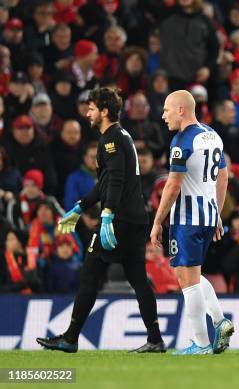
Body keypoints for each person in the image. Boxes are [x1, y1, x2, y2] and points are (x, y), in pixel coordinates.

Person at [36, 87, 164, 353]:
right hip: (135, 218)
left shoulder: (110, 139)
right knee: (138, 278)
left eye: (92, 108)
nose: (88, 113)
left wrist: (107, 215)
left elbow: (115, 180)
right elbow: (106, 182)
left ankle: (70, 338)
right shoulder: (120, 136)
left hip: (119, 220)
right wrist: (80, 207)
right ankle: (155, 339)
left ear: (105, 111)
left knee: (90, 274)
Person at [150, 90, 234, 355]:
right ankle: (220, 321)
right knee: (189, 275)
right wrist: (217, 213)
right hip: (208, 215)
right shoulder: (212, 135)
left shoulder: (182, 140)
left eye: (166, 110)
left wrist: (157, 220)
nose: (163, 115)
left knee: (187, 280)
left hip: (187, 218)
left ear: (181, 110)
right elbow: (223, 178)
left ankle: (201, 342)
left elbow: (173, 186)